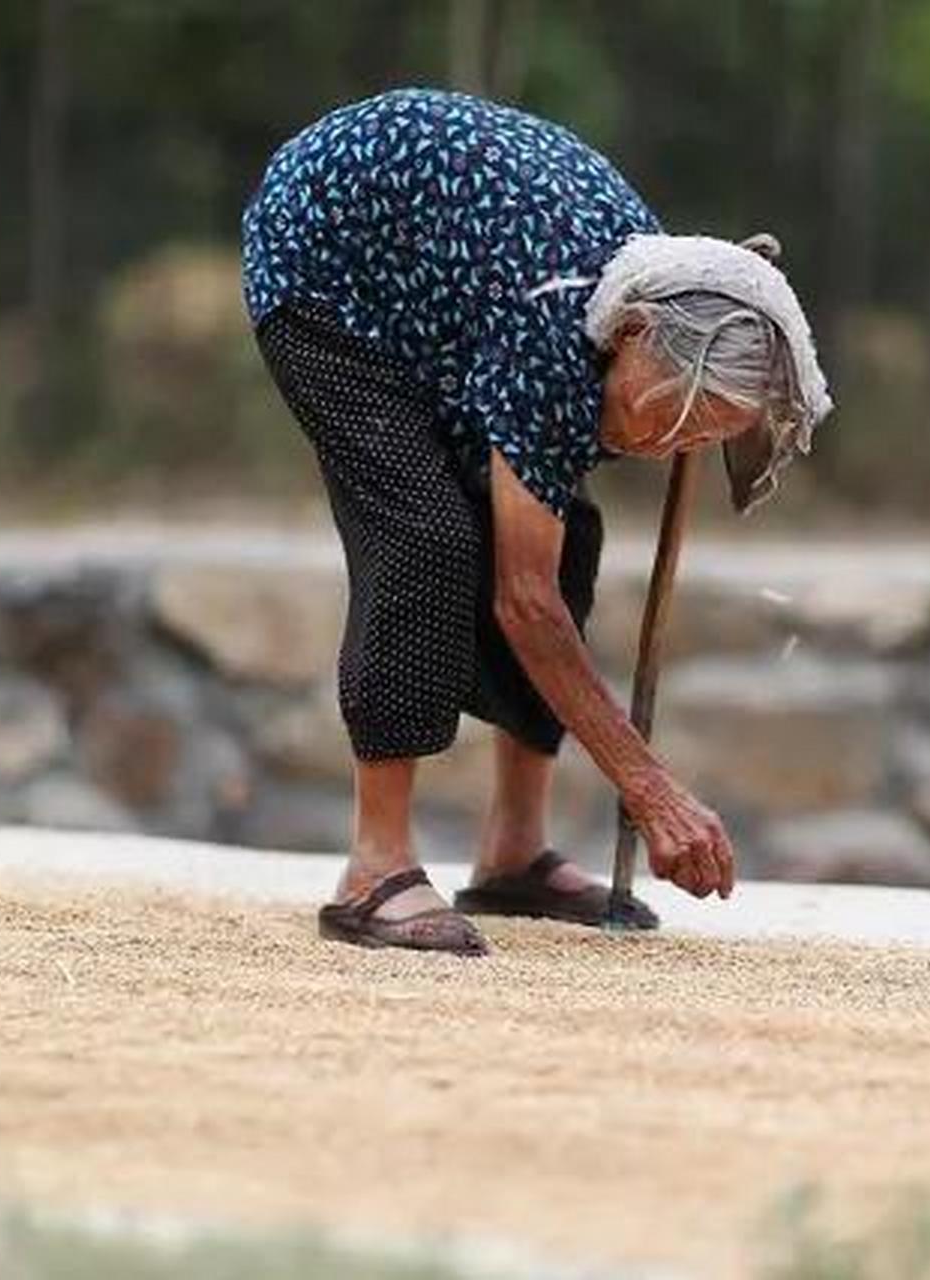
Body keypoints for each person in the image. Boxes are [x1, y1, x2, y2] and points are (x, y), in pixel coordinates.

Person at [241, 88, 832, 956]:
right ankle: (374, 867)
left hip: (444, 288)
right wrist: (652, 790)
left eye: (705, 432)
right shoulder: (553, 335)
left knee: (572, 542)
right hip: (330, 270)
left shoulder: (671, 289)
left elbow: (545, 565)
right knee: (425, 534)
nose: (672, 444)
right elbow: (522, 603)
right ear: (627, 334)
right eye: (668, 415)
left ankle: (511, 848)